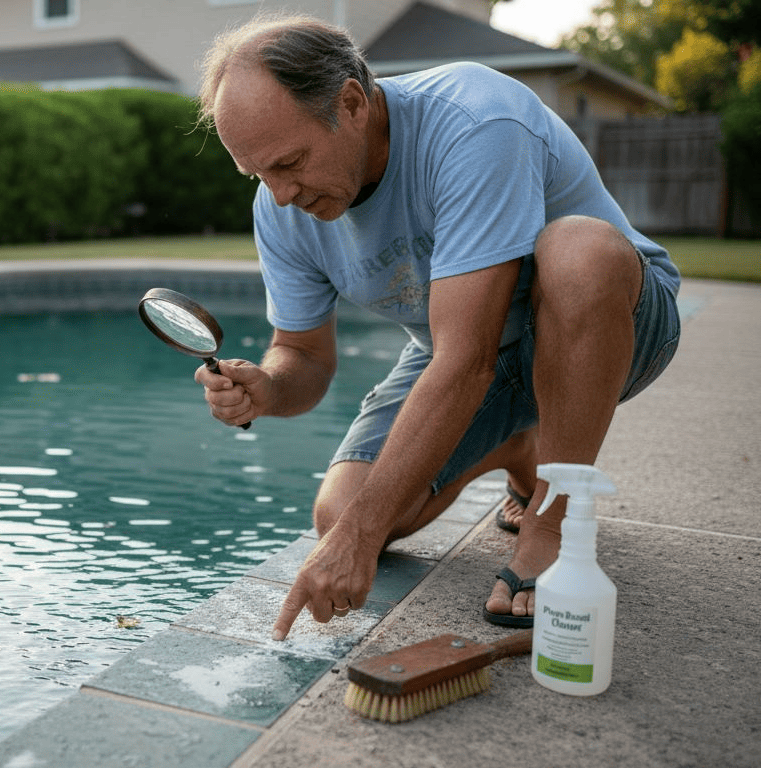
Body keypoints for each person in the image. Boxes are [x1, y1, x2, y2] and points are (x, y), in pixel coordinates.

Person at [192, 13, 681, 640]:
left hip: (618, 324)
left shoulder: (474, 121)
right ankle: (514, 445)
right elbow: (303, 356)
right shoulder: (281, 210)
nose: (281, 194)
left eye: (290, 162)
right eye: (259, 174)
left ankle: (551, 524)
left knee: (577, 250)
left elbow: (468, 358)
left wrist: (361, 541)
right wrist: (268, 384)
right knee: (337, 513)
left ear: (351, 102)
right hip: (461, 354)